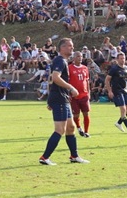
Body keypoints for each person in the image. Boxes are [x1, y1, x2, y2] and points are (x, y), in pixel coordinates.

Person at [38, 37, 90, 165]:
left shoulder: (62, 61)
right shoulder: (60, 61)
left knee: (71, 127)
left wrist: (50, 100)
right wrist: (71, 87)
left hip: (63, 98)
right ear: (62, 48)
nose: (72, 48)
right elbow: (55, 78)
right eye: (69, 46)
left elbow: (52, 81)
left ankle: (74, 156)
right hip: (60, 99)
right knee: (60, 130)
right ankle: (45, 157)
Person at [106, 52, 127, 133]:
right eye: (121, 58)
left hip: (124, 90)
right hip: (117, 91)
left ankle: (119, 123)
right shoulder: (114, 69)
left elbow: (125, 79)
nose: (123, 60)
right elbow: (107, 80)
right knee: (123, 109)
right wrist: (109, 91)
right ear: (117, 59)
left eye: (124, 58)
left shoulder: (126, 68)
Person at [67, 50, 93, 137]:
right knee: (76, 114)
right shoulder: (69, 68)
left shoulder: (85, 68)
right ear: (74, 58)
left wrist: (88, 92)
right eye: (78, 56)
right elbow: (67, 81)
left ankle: (86, 131)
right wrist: (69, 92)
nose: (80, 58)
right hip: (74, 96)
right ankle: (78, 127)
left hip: (84, 95)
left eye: (81, 56)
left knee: (86, 113)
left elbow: (87, 81)